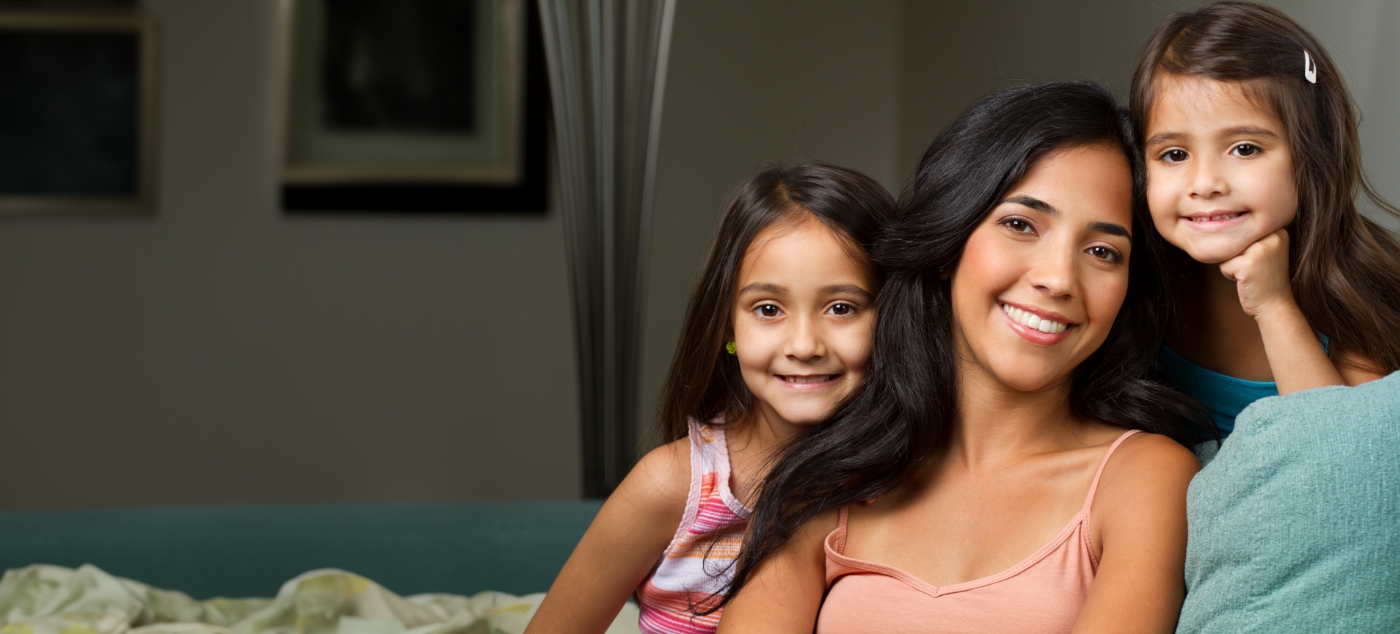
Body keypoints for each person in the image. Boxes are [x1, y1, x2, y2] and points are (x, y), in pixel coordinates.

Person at [716, 81, 1209, 634]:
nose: (1057, 279)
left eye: (1102, 251)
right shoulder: (828, 478)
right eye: (1020, 224)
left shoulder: (1145, 479)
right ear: (949, 241)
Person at [524, 163, 897, 634]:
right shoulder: (670, 485)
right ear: (728, 325)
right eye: (768, 309)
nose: (804, 345)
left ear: (895, 315)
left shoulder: (910, 482)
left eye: (841, 308)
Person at [1130, 2, 1400, 631]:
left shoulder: (1353, 283)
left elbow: (1337, 465)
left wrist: (1275, 304)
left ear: (1311, 154)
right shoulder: (1138, 284)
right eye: (1172, 155)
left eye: (1244, 148)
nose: (1204, 182)